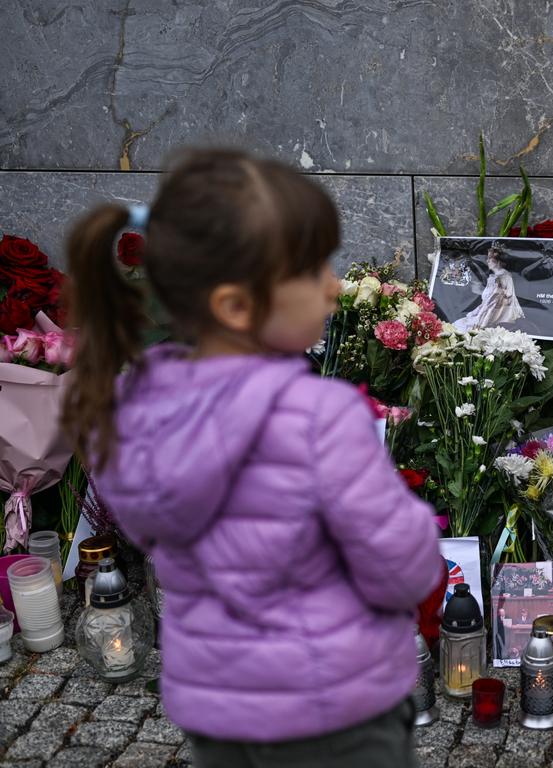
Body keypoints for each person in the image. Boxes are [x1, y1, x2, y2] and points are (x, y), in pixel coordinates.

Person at [61, 149, 441, 768]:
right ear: (237, 306)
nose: (335, 284)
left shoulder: (137, 405)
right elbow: (399, 566)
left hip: (217, 707)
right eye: (314, 268)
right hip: (335, 706)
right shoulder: (319, 417)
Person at [453, 246, 525, 331]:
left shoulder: (503, 277)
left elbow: (495, 301)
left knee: (460, 326)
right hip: (486, 310)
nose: (487, 261)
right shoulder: (494, 277)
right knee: (459, 324)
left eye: (489, 258)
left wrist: (481, 319)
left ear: (498, 261)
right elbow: (488, 297)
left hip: (496, 315)